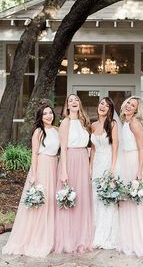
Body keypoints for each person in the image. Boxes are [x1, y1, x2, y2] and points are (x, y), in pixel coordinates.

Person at [2, 104, 59, 257]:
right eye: (45, 113)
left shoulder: (56, 130)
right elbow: (34, 154)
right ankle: (36, 237)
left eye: (50, 113)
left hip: (54, 165)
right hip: (42, 166)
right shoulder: (39, 132)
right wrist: (34, 174)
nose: (48, 116)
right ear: (40, 117)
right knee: (41, 202)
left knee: (51, 202)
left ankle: (49, 235)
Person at [117, 96, 143, 257]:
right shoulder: (124, 122)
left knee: (136, 203)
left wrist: (140, 170)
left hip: (135, 162)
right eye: (128, 103)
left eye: (132, 105)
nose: (128, 106)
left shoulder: (135, 123)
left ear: (136, 110)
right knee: (127, 202)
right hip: (125, 162)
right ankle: (128, 238)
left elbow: (141, 149)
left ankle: (140, 241)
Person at [54, 94, 93, 253]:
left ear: (79, 104)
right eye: (70, 100)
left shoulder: (85, 123)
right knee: (69, 197)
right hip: (69, 160)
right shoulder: (65, 122)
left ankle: (81, 235)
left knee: (82, 198)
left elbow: (89, 145)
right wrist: (63, 170)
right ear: (67, 106)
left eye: (76, 100)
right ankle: (67, 237)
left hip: (83, 159)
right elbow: (62, 148)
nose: (74, 102)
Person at [90, 97, 119, 249]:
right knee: (95, 196)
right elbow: (93, 148)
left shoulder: (113, 124)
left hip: (108, 162)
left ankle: (106, 233)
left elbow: (115, 147)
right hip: (96, 164)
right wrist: (90, 167)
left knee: (106, 197)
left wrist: (113, 168)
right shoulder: (93, 125)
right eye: (101, 103)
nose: (103, 106)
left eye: (107, 105)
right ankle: (95, 230)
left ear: (110, 110)